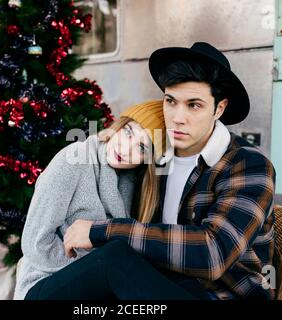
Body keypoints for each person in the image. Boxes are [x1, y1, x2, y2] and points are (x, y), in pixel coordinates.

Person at [61, 42, 277, 300]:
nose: (177, 117)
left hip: (221, 295)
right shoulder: (157, 157)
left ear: (218, 108)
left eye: (194, 105)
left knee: (112, 258)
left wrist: (102, 230)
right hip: (164, 282)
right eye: (171, 101)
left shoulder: (248, 165)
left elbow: (213, 254)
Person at [13, 100, 167, 300]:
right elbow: (35, 243)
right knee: (115, 256)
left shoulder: (130, 183)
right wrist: (88, 270)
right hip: (44, 282)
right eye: (128, 132)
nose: (126, 148)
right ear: (117, 127)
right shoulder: (74, 159)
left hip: (94, 287)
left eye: (142, 148)